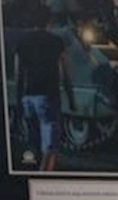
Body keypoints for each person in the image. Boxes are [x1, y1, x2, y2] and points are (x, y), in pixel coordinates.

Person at [15, 6, 76, 171]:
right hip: (48, 97)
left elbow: (18, 73)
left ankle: (33, 176)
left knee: (33, 144)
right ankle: (44, 177)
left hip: (28, 98)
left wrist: (19, 101)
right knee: (50, 147)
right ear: (49, 21)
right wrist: (71, 99)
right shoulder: (56, 41)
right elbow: (65, 73)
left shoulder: (22, 42)